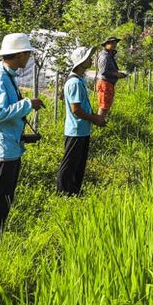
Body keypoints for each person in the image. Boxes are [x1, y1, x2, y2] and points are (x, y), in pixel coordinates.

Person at [0, 32, 45, 246]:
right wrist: (28, 104)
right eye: (27, 53)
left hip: (10, 148)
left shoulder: (8, 76)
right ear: (19, 55)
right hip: (1, 152)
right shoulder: (0, 78)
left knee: (4, 201)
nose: (28, 58)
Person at [57, 45, 108, 195]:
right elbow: (76, 109)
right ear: (82, 61)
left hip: (82, 130)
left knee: (78, 164)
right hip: (76, 131)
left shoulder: (79, 81)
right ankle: (63, 193)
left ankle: (74, 192)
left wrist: (95, 118)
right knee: (70, 164)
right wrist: (95, 119)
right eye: (89, 58)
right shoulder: (74, 83)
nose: (91, 60)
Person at [95, 35, 129, 117]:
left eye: (115, 42)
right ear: (106, 44)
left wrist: (118, 74)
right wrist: (116, 74)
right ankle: (99, 122)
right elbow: (103, 71)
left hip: (108, 83)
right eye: (112, 42)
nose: (114, 44)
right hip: (104, 83)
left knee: (106, 105)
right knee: (103, 106)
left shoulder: (109, 55)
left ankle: (102, 122)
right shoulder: (104, 56)